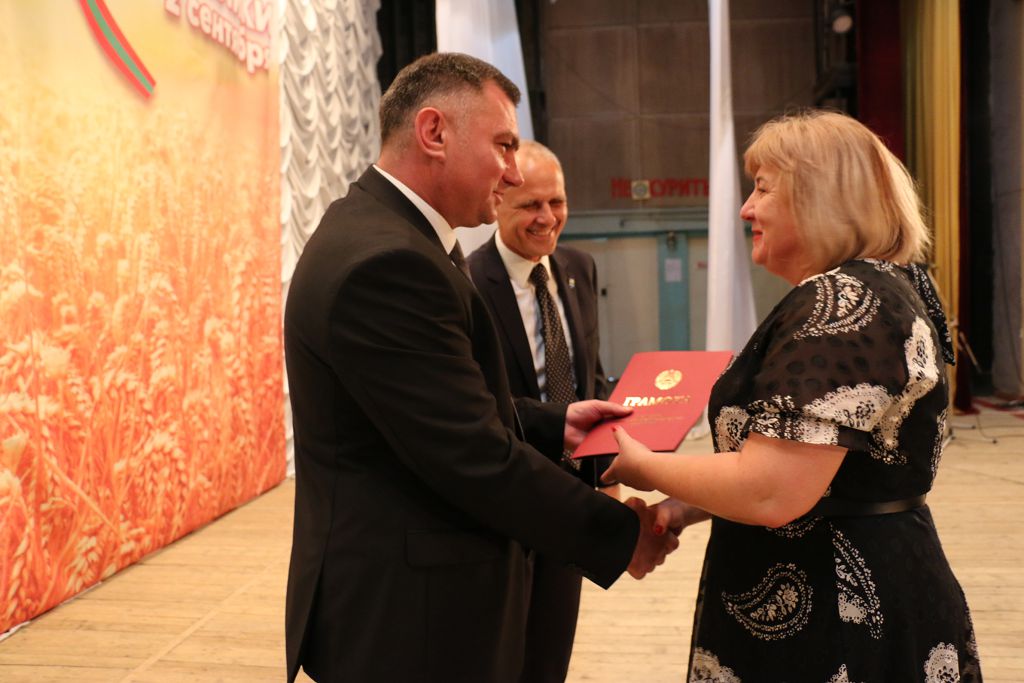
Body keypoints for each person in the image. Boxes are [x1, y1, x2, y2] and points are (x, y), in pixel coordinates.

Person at [283, 52, 677, 683]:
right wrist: (620, 533)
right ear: (434, 132)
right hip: (410, 615)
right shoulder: (389, 263)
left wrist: (552, 424)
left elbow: (437, 404)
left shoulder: (389, 233)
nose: (512, 172)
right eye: (503, 145)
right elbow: (472, 455)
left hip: (417, 595)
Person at [603, 110, 982, 682]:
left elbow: (772, 490)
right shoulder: (878, 287)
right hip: (856, 584)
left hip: (834, 612)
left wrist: (641, 464)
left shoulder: (840, 304)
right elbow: (819, 467)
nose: (745, 209)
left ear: (820, 196)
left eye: (762, 189)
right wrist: (685, 505)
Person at [467, 140, 615, 682]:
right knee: (500, 657)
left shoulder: (579, 267)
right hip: (504, 504)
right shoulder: (465, 283)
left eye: (557, 201)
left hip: (571, 500)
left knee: (551, 654)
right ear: (498, 202)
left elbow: (588, 374)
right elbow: (476, 404)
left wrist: (606, 473)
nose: (547, 217)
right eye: (531, 204)